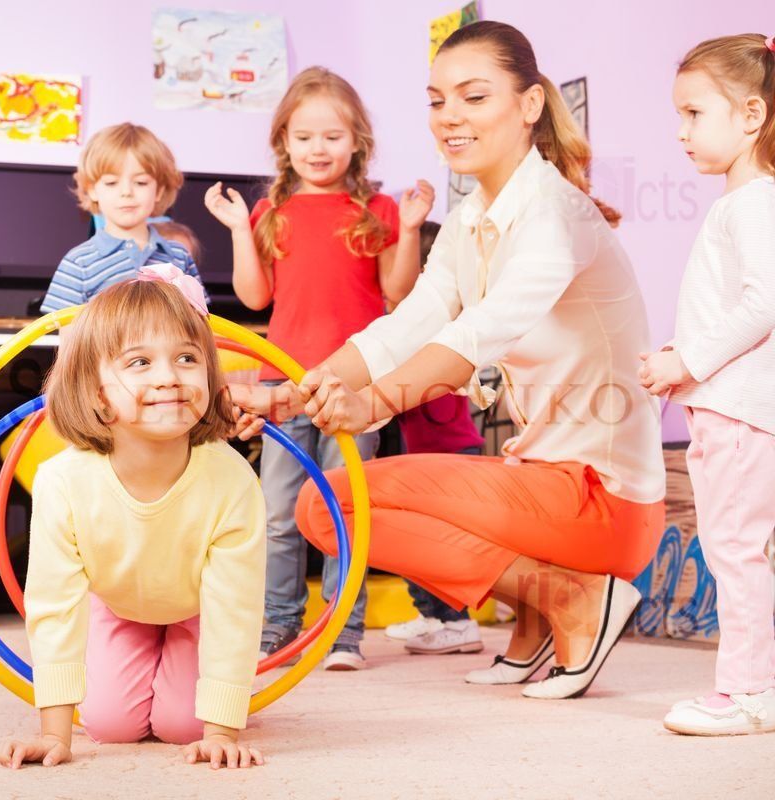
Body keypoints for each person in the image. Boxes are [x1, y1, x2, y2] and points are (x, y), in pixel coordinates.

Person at [232, 20, 666, 700]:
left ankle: (573, 597)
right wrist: (292, 393)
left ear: (528, 106)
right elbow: (406, 323)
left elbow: (479, 335)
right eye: (437, 101)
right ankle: (535, 617)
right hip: (545, 482)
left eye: (473, 97)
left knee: (330, 507)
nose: (449, 118)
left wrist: (372, 403)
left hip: (602, 499)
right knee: (323, 509)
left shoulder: (555, 214)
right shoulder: (470, 220)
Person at [0, 273, 266, 770]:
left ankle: (190, 672)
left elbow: (236, 606)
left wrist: (222, 730)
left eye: (187, 358)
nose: (169, 377)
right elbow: (54, 603)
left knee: (184, 727)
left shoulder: (231, 478)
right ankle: (137, 651)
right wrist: (55, 733)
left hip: (196, 608)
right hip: (120, 603)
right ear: (97, 393)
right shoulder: (64, 481)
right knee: (109, 725)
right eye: (139, 362)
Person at [204, 66, 423, 670]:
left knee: (343, 508)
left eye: (332, 136)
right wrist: (237, 231)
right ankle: (278, 626)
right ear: (284, 143)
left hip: (354, 387)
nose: (318, 149)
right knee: (276, 513)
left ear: (357, 141)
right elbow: (253, 298)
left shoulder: (374, 208)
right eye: (304, 138)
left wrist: (407, 232)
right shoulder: (271, 211)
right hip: (281, 386)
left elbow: (397, 292)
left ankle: (342, 633)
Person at [639, 33, 775, 735]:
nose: (681, 131)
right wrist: (681, 354)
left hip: (736, 411)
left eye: (694, 113)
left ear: (751, 116)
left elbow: (763, 303)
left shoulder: (751, 203)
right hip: (732, 405)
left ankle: (749, 693)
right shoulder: (745, 203)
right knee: (742, 547)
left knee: (734, 548)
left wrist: (685, 361)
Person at [383, 220, 490, 657]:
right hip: (430, 454)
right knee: (414, 542)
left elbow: (433, 397)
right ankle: (433, 616)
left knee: (435, 545)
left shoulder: (443, 331)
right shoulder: (414, 328)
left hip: (451, 455)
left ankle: (457, 623)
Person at [40, 123, 204, 314]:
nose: (126, 192)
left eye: (141, 182)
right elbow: (69, 342)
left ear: (159, 190)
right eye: (111, 183)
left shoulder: (180, 255)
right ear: (92, 190)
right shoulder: (78, 262)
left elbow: (200, 325)